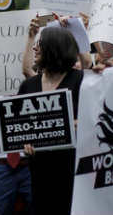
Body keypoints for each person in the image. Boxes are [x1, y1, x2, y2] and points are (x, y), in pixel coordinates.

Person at [18, 27, 84, 215]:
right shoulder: (29, 85)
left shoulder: (82, 81)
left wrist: (66, 126)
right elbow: (19, 126)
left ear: (55, 47)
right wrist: (25, 140)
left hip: (74, 173)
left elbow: (94, 120)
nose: (34, 49)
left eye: (40, 44)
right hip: (39, 173)